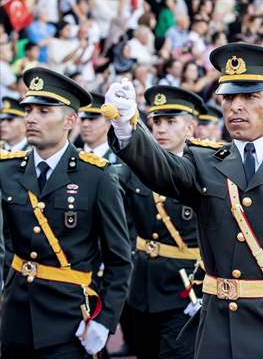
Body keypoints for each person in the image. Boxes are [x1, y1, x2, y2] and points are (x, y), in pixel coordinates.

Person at [105, 43, 263, 359]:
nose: (236, 107)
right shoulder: (205, 162)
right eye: (229, 98)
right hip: (217, 335)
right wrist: (128, 125)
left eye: (250, 97)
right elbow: (161, 169)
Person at [0, 67, 132, 358]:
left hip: (69, 323)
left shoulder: (96, 176)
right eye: (29, 110)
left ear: (69, 120)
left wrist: (104, 320)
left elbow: (119, 260)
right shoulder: (6, 170)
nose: (32, 118)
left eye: (44, 111)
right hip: (14, 319)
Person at [117, 86, 206, 359]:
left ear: (190, 128)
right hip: (142, 288)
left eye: (171, 122)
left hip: (185, 289)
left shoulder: (204, 169)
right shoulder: (133, 171)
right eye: (156, 122)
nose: (161, 129)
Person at [78, 93, 116, 163]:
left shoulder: (121, 160)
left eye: (92, 119)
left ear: (108, 123)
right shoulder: (72, 157)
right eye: (82, 119)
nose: (85, 124)